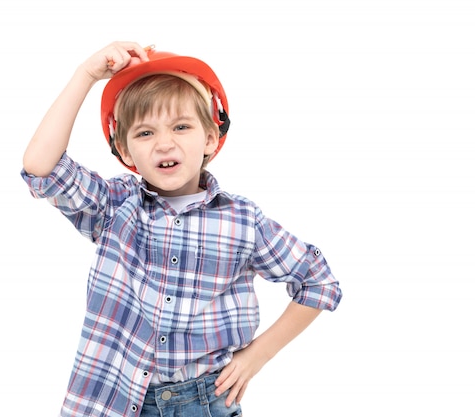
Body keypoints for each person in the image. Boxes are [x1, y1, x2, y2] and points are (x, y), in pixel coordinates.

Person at [21, 41, 342, 417]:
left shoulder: (242, 220)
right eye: (144, 134)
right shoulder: (115, 205)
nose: (164, 143)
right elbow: (41, 167)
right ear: (125, 152)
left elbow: (318, 282)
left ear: (209, 139)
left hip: (203, 402)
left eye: (181, 126)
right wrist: (86, 75)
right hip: (111, 397)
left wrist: (257, 355)